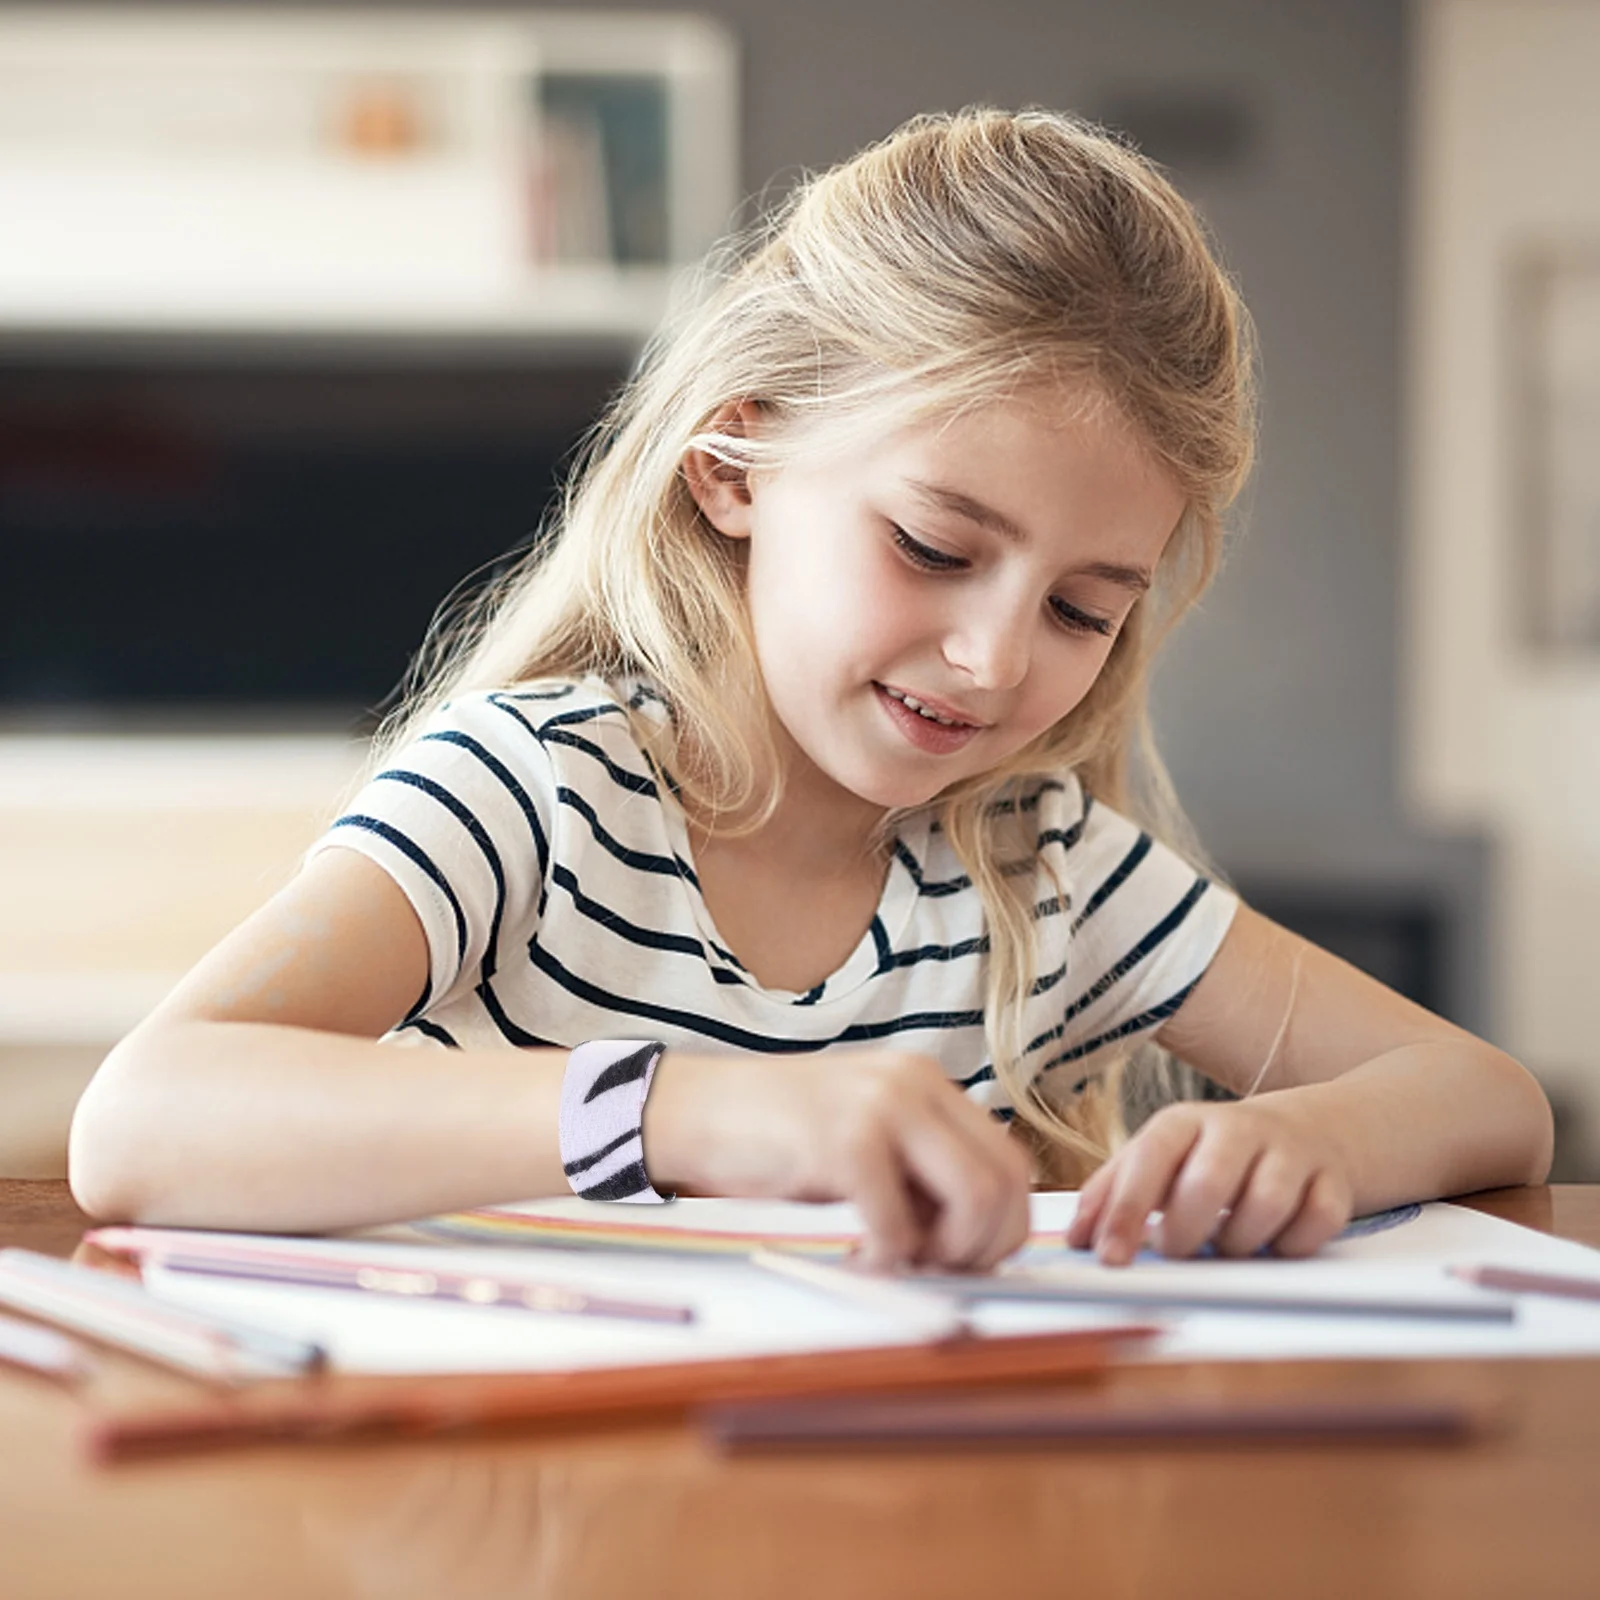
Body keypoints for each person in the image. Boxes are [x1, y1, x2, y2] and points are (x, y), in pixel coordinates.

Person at [68, 109, 1552, 1271]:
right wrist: (696, 1110)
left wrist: (1319, 1145)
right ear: (736, 469)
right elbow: (146, 1120)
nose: (994, 658)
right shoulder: (533, 790)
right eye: (931, 546)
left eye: (1084, 609)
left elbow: (1487, 1096)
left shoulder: (1040, 867)